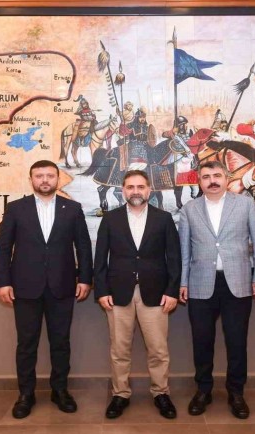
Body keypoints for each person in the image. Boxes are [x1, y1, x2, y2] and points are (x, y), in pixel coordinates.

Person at [0, 160, 93, 419]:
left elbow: (83, 246)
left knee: (61, 342)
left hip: (62, 286)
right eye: (39, 176)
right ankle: (25, 394)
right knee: (26, 344)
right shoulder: (16, 209)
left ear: (58, 179)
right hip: (25, 288)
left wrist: (85, 278)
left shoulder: (72, 209)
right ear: (31, 180)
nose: (45, 180)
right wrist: (2, 281)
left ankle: (60, 391)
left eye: (50, 175)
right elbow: (3, 248)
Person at [177, 161, 255, 419]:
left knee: (237, 342)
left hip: (238, 284)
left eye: (217, 175)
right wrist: (183, 282)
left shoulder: (245, 204)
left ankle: (236, 392)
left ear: (227, 178)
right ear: (199, 181)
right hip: (200, 284)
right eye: (206, 177)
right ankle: (203, 390)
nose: (212, 181)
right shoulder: (189, 209)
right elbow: (184, 251)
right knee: (202, 341)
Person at [94, 170, 181, 419]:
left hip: (155, 294)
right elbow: (100, 258)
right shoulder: (110, 219)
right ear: (123, 190)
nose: (135, 191)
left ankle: (161, 393)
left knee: (158, 350)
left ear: (149, 190)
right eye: (130, 187)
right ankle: (120, 394)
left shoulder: (163, 219)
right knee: (119, 350)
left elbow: (174, 258)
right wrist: (101, 290)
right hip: (117, 294)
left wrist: (172, 291)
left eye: (140, 187)